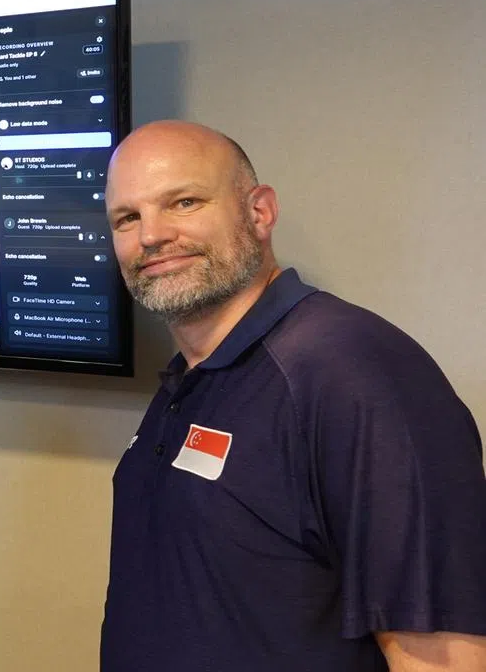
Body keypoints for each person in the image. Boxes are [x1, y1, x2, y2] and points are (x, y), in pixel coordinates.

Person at [100, 120, 486, 671]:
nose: (152, 235)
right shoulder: (191, 378)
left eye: (184, 202)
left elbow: (445, 656)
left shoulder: (354, 371)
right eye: (127, 217)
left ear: (259, 212)